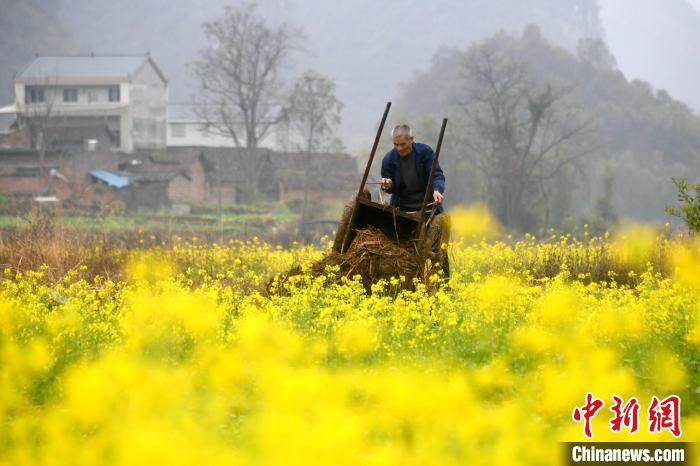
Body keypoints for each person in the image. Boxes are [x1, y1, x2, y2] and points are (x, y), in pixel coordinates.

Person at [333, 124, 451, 277]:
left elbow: (437, 175)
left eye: (403, 144)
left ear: (411, 140)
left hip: (427, 207)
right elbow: (389, 187)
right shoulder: (389, 159)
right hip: (401, 209)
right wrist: (388, 184)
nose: (399, 148)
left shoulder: (425, 153)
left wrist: (437, 190)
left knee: (439, 248)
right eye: (396, 145)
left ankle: (446, 283)